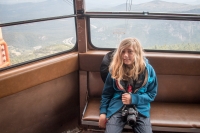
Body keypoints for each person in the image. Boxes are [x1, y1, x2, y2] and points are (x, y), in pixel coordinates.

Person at [99, 37, 158, 133]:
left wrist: (133, 98)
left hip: (140, 108)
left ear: (137, 53)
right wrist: (103, 113)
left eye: (130, 51)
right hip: (117, 107)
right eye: (123, 52)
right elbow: (106, 94)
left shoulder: (148, 71)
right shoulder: (115, 70)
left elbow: (151, 94)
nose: (125, 55)